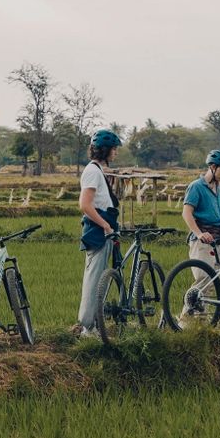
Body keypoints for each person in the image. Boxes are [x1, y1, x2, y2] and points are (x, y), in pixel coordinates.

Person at [179, 150, 220, 316]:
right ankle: (184, 321)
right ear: (212, 167)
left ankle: (202, 322)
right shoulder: (196, 187)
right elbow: (186, 213)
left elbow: (218, 213)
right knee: (203, 282)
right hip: (203, 242)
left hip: (218, 240)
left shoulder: (218, 187)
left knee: (213, 284)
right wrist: (199, 233)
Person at [74, 129, 122, 336]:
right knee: (94, 279)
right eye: (113, 149)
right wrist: (104, 225)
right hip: (98, 232)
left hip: (103, 229)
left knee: (99, 278)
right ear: (104, 150)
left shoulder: (97, 170)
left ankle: (92, 323)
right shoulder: (93, 171)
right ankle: (88, 327)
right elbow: (85, 204)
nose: (115, 153)